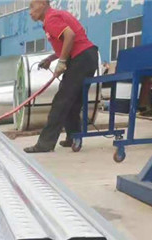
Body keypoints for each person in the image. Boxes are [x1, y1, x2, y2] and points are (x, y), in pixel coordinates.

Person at [24, 0, 98, 153]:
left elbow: (70, 35)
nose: (30, 12)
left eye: (32, 6)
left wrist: (62, 61)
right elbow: (66, 42)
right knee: (72, 101)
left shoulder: (51, 18)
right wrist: (51, 59)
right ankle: (73, 137)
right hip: (87, 57)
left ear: (43, 3)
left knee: (61, 101)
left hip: (80, 58)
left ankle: (45, 144)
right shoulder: (55, 16)